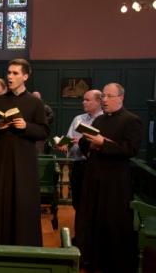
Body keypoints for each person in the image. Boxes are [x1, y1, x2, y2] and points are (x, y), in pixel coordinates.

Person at [76, 83, 142, 273]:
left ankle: (110, 262)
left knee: (110, 221)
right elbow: (86, 145)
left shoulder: (131, 120)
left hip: (115, 182)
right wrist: (86, 141)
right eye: (103, 96)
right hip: (94, 177)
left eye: (108, 96)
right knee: (91, 218)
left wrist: (103, 143)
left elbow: (130, 149)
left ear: (121, 98)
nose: (104, 100)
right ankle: (90, 259)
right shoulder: (99, 121)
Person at [0, 58, 50, 246]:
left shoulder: (34, 103)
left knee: (23, 201)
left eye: (15, 73)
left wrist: (25, 126)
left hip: (24, 159)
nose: (10, 76)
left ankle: (24, 244)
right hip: (2, 158)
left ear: (25, 76)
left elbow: (43, 131)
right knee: (0, 201)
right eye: (9, 72)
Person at [58, 89, 103, 237]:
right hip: (79, 166)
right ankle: (79, 236)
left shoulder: (104, 119)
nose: (83, 102)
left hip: (95, 166)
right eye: (83, 99)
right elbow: (70, 139)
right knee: (77, 202)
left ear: (98, 101)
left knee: (92, 204)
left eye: (87, 100)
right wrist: (65, 144)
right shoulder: (79, 119)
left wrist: (85, 142)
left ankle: (91, 237)